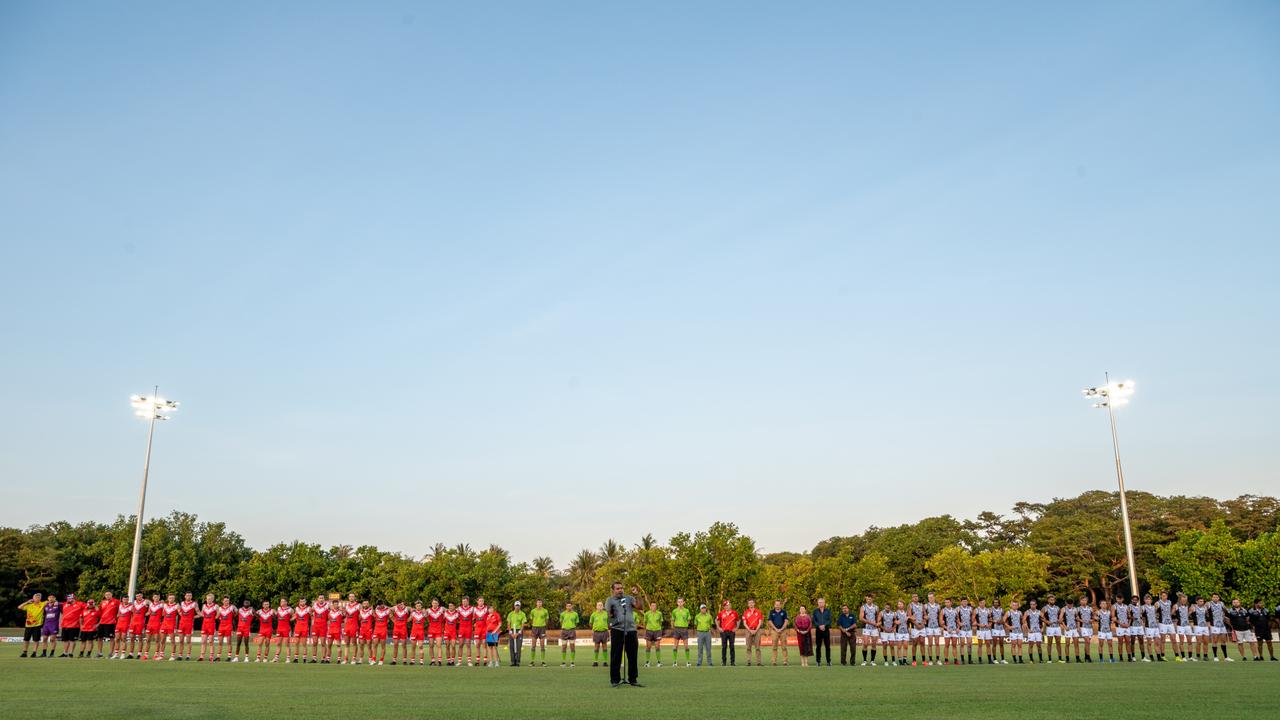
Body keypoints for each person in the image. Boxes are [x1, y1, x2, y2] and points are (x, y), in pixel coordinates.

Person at [605, 582, 641, 686]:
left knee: (633, 656)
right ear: (613, 590)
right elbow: (609, 615)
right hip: (617, 630)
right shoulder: (609, 600)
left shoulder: (629, 598)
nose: (620, 590)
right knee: (616, 656)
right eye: (617, 588)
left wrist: (637, 595)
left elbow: (639, 607)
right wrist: (612, 620)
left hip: (631, 630)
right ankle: (615, 680)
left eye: (621, 588)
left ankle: (633, 679)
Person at [19, 592, 46, 658]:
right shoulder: (29, 605)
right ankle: (25, 652)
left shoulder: (43, 604)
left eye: (39, 597)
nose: (37, 598)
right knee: (26, 639)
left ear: (40, 598)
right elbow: (19, 607)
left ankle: (34, 653)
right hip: (28, 625)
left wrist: (55, 602)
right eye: (36, 597)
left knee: (36, 640)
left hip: (37, 625)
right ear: (33, 598)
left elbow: (51, 601)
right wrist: (27, 602)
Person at [60, 593, 84, 658]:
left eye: (69, 598)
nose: (68, 599)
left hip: (74, 626)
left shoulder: (80, 604)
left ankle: (71, 653)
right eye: (67, 598)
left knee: (72, 640)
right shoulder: (65, 604)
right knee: (65, 640)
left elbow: (88, 606)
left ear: (73, 598)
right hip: (65, 625)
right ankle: (65, 653)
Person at [670, 598, 692, 667]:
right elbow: (672, 620)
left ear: (683, 602)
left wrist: (686, 625)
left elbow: (689, 620)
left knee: (686, 646)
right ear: (677, 603)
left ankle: (688, 662)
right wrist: (673, 627)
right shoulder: (674, 611)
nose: (680, 603)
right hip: (677, 629)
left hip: (684, 629)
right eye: (679, 602)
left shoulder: (686, 610)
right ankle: (674, 662)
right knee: (675, 646)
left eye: (681, 602)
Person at [1208, 593, 1230, 661]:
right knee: (1215, 640)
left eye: (1217, 597)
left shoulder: (1221, 603)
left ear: (1218, 598)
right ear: (1212, 598)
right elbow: (1204, 611)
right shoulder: (1209, 604)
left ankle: (1226, 657)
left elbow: (1226, 610)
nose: (1215, 598)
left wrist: (1226, 612)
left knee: (1223, 640)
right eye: (1214, 597)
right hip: (1214, 625)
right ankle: (1215, 657)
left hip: (1222, 625)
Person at [97, 592, 119, 659]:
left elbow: (120, 609)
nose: (107, 596)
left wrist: (117, 616)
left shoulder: (116, 601)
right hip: (102, 622)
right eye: (106, 595)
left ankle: (111, 653)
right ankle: (100, 653)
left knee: (111, 638)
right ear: (104, 595)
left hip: (111, 623)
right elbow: (99, 612)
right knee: (99, 638)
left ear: (112, 595)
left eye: (109, 594)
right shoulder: (102, 602)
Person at [716, 599, 739, 667]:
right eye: (725, 606)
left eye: (728, 605)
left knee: (732, 647)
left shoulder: (734, 613)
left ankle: (732, 662)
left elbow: (738, 620)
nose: (726, 606)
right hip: (724, 632)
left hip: (731, 632)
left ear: (730, 605)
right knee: (724, 647)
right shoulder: (721, 613)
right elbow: (716, 620)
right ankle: (723, 662)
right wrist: (719, 628)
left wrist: (736, 628)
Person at [176, 592, 197, 660]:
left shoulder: (194, 603)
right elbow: (179, 612)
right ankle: (180, 655)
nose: (189, 597)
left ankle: (188, 656)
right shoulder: (181, 603)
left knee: (188, 641)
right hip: (181, 624)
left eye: (190, 595)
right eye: (187, 595)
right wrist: (181, 614)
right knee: (181, 641)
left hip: (189, 624)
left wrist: (192, 617)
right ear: (185, 596)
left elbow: (199, 613)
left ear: (191, 596)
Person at [859, 595, 879, 666]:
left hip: (874, 628)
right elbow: (861, 618)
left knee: (874, 644)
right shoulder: (863, 607)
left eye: (870, 599)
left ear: (872, 599)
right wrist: (871, 623)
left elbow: (878, 617)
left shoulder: (876, 607)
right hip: (866, 628)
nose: (868, 600)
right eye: (867, 599)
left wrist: (878, 623)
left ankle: (872, 661)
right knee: (865, 643)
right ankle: (864, 660)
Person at [768, 600, 789, 666]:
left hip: (783, 631)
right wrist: (776, 629)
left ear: (780, 605)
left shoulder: (784, 612)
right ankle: (774, 661)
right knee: (774, 647)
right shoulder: (772, 612)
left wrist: (781, 629)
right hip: (774, 631)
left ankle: (785, 661)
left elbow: (786, 621)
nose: (777, 605)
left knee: (784, 647)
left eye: (778, 604)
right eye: (776, 604)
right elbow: (770, 621)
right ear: (774, 605)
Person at [642, 601, 663, 667]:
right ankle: (647, 662)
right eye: (652, 606)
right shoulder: (647, 614)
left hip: (657, 631)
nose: (654, 607)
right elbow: (645, 623)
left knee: (657, 647)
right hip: (649, 631)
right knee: (648, 647)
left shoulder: (659, 613)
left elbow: (660, 622)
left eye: (655, 606)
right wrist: (645, 631)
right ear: (650, 606)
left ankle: (659, 662)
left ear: (656, 607)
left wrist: (658, 629)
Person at [529, 599, 550, 666]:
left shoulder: (545, 611)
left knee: (542, 645)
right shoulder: (533, 611)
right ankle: (532, 661)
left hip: (542, 628)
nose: (539, 603)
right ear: (536, 603)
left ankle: (543, 661)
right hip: (534, 628)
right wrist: (534, 625)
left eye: (540, 602)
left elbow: (547, 620)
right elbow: (531, 620)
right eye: (538, 602)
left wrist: (543, 625)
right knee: (533, 645)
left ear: (542, 603)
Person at [506, 600, 527, 667]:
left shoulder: (523, 614)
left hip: (519, 631)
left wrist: (518, 633)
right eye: (516, 606)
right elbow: (508, 624)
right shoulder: (510, 614)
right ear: (514, 606)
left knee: (518, 647)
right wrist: (511, 633)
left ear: (520, 606)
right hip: (512, 631)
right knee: (511, 647)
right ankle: (512, 661)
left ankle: (517, 661)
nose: (517, 607)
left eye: (518, 606)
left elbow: (523, 624)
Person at [812, 598, 831, 666]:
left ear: (824, 603)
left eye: (822, 602)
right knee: (818, 646)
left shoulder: (828, 611)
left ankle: (828, 661)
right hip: (818, 631)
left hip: (826, 630)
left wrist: (824, 625)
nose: (820, 604)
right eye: (819, 602)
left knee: (827, 646)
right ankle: (818, 661)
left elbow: (829, 620)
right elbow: (814, 620)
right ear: (818, 603)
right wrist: (819, 626)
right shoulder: (815, 611)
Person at [1043, 594, 1062, 663]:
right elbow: (1041, 617)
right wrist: (1047, 621)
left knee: (1058, 643)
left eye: (1053, 600)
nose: (1052, 601)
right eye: (1051, 599)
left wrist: (1060, 620)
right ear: (1048, 600)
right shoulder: (1045, 608)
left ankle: (1060, 658)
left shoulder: (1057, 608)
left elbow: (1061, 616)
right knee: (1049, 643)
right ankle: (1049, 659)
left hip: (1057, 627)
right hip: (1050, 628)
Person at [589, 601, 610, 667]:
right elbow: (590, 623)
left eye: (601, 605)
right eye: (599, 605)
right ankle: (595, 661)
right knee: (596, 647)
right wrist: (594, 628)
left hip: (604, 632)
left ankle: (605, 662)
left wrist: (608, 630)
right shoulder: (593, 614)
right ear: (596, 606)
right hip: (596, 632)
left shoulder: (606, 614)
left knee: (605, 647)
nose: (600, 606)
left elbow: (609, 623)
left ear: (603, 606)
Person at [390, 600, 410, 665]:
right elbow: (389, 610)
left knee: (404, 645)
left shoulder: (407, 608)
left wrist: (409, 619)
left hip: (403, 629)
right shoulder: (395, 608)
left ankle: (404, 660)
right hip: (396, 629)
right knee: (395, 645)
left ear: (403, 604)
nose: (400, 605)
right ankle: (394, 660)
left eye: (401, 604)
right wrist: (392, 618)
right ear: (397, 604)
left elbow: (414, 610)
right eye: (399, 604)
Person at [199, 594, 218, 661]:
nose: (208, 600)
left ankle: (211, 656)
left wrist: (216, 617)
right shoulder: (204, 606)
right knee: (203, 641)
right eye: (207, 599)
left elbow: (219, 613)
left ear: (213, 599)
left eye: (210, 599)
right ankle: (202, 656)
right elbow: (202, 613)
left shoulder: (215, 606)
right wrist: (197, 614)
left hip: (211, 625)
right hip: (204, 625)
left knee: (211, 641)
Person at [559, 602, 579, 667]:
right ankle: (563, 662)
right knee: (564, 647)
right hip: (564, 631)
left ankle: (572, 662)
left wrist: (571, 627)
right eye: (567, 606)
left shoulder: (575, 614)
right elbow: (561, 622)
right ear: (566, 606)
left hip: (572, 631)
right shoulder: (562, 614)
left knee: (572, 647)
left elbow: (576, 623)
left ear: (571, 606)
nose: (569, 607)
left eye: (570, 606)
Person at [112, 593, 132, 659]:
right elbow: (118, 614)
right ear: (122, 600)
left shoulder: (131, 606)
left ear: (128, 599)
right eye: (124, 599)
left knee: (123, 639)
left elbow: (134, 615)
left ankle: (123, 654)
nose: (125, 600)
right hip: (119, 624)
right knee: (117, 639)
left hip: (125, 625)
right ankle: (116, 654)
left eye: (127, 599)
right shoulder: (120, 605)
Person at [425, 599, 444, 665]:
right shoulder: (428, 610)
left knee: (439, 645)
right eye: (433, 603)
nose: (434, 604)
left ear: (438, 604)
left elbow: (449, 612)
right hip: (431, 630)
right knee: (431, 645)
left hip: (439, 630)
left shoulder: (442, 609)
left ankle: (439, 660)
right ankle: (432, 660)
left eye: (436, 603)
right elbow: (426, 617)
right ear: (431, 603)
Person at [1077, 597, 1094, 663]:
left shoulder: (1090, 609)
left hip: (1089, 627)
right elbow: (1077, 619)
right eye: (1082, 600)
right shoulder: (1078, 609)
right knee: (1087, 641)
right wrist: (1078, 627)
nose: (1084, 601)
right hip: (1083, 627)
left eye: (1085, 600)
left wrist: (1092, 620)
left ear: (1087, 601)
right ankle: (1088, 657)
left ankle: (1086, 656)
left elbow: (1093, 617)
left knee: (1087, 643)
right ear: (1080, 601)